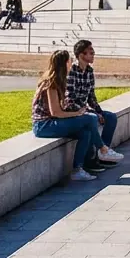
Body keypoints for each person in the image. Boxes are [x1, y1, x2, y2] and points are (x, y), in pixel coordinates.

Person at [32, 49, 117, 182]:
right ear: (65, 63)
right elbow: (56, 112)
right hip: (44, 125)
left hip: (53, 121)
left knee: (85, 133)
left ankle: (78, 169)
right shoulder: (51, 82)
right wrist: (77, 114)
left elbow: (61, 108)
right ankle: (103, 149)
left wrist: (79, 113)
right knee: (90, 118)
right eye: (70, 61)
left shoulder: (60, 80)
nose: (72, 63)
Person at [65, 40, 123, 164]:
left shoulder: (89, 71)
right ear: (81, 55)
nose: (93, 54)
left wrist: (99, 112)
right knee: (92, 119)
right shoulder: (71, 72)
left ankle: (103, 154)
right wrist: (91, 112)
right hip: (73, 111)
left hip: (85, 109)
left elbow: (91, 96)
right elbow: (69, 100)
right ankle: (92, 158)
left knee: (110, 117)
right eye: (90, 52)